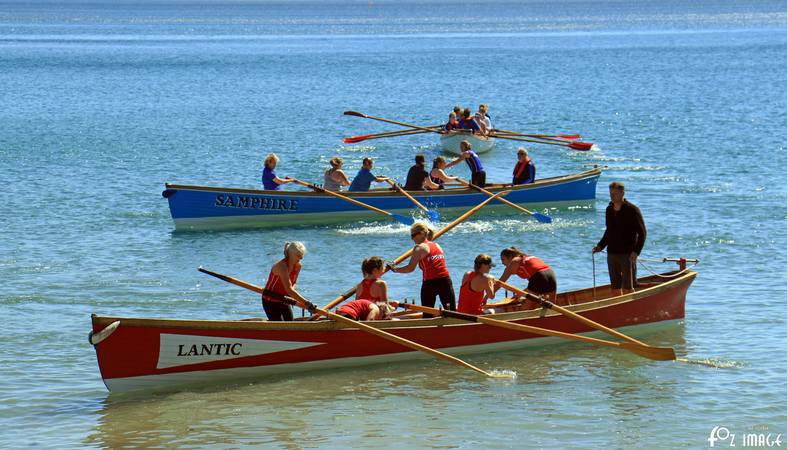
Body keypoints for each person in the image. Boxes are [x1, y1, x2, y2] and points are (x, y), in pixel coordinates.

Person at [388, 222, 456, 317]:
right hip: (445, 281)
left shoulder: (419, 248)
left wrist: (394, 269)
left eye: (413, 235)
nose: (412, 238)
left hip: (430, 283)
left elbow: (410, 268)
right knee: (452, 312)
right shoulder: (437, 245)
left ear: (421, 233)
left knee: (427, 315)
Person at [592, 181, 647, 294]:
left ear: (622, 193)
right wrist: (600, 246)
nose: (612, 196)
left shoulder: (632, 210)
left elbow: (642, 233)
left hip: (627, 254)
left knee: (628, 286)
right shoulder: (609, 210)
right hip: (612, 253)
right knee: (615, 287)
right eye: (611, 193)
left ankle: (630, 308)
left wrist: (636, 252)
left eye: (615, 193)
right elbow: (609, 231)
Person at [262, 242, 311, 321]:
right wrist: (306, 303)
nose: (301, 258)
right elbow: (289, 289)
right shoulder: (282, 266)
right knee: (280, 327)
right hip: (270, 300)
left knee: (291, 324)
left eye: (302, 255)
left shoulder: (298, 266)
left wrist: (300, 301)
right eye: (298, 255)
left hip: (284, 299)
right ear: (290, 254)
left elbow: (293, 284)